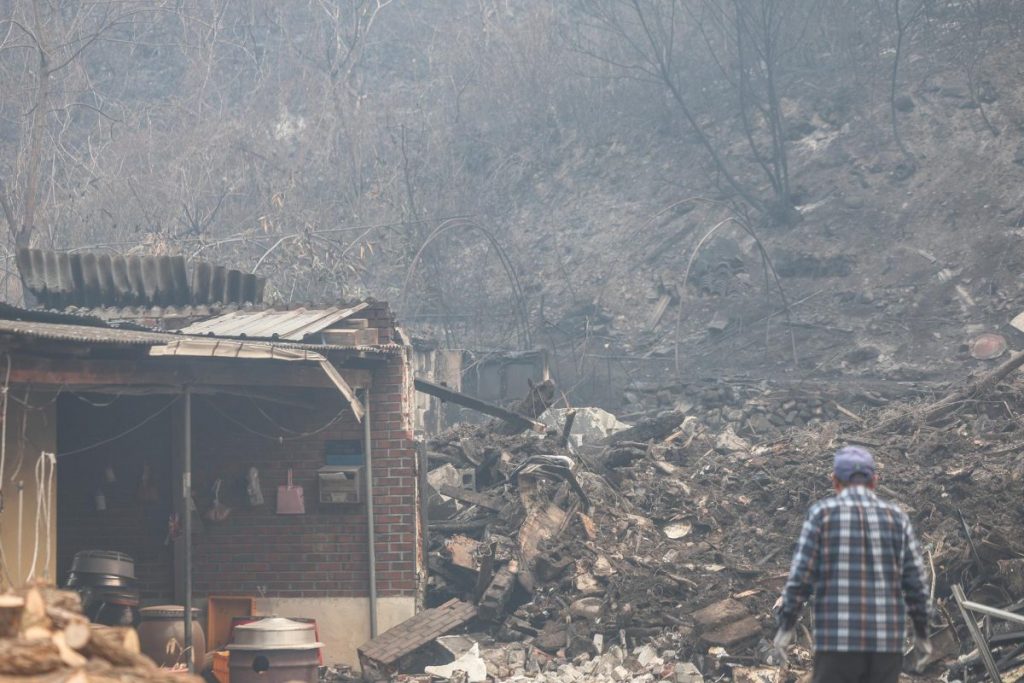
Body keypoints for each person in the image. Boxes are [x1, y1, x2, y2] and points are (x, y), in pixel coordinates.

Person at [773, 446, 932, 682]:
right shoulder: (897, 518)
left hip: (836, 644)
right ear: (874, 482)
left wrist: (786, 625)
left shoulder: (821, 516)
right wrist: (922, 631)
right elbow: (916, 584)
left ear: (835, 481)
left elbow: (800, 579)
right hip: (886, 645)